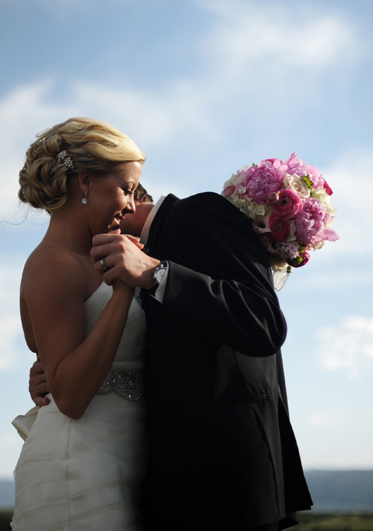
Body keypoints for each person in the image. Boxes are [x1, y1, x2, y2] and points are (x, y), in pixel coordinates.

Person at [32, 188, 313, 530]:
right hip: (162, 477)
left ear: (127, 197)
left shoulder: (197, 213)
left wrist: (157, 272)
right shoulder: (125, 256)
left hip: (228, 483)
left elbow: (264, 322)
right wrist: (60, 365)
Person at [12, 117, 148, 531]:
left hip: (130, 452)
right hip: (81, 465)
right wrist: (123, 294)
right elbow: (69, 396)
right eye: (126, 188)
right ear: (85, 182)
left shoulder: (113, 249)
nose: (131, 203)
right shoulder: (52, 264)